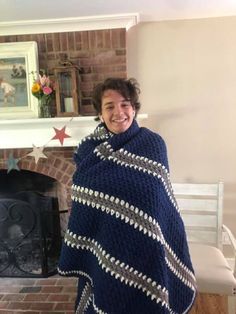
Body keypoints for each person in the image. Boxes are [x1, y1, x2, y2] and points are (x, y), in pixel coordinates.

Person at [58, 78, 197, 313]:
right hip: (105, 245)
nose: (118, 112)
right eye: (109, 106)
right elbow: (83, 198)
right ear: (100, 113)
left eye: (125, 104)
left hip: (148, 248)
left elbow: (160, 199)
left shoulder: (152, 144)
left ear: (134, 108)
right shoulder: (87, 150)